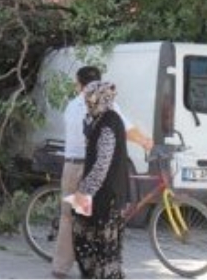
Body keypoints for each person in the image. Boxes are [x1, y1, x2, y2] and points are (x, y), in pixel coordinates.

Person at [52, 66, 152, 278]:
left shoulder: (75, 107)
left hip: (73, 166)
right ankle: (95, 267)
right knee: (91, 222)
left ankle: (62, 266)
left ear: (80, 85)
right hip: (89, 171)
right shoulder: (108, 111)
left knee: (71, 217)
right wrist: (145, 142)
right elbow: (123, 135)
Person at [71, 81, 129, 279]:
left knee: (102, 251)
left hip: (105, 198)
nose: (87, 102)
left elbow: (102, 164)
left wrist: (83, 191)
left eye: (90, 98)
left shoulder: (108, 124)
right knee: (93, 246)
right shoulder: (100, 119)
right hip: (101, 195)